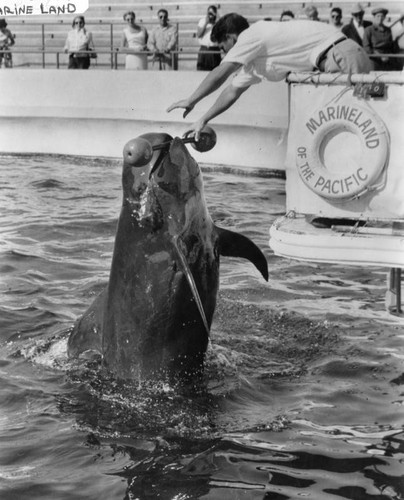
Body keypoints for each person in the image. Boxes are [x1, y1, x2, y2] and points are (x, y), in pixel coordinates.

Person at [167, 13, 371, 140]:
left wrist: (191, 100)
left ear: (231, 37)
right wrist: (203, 119)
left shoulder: (250, 36)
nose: (224, 52)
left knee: (360, 123)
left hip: (341, 56)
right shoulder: (256, 55)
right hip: (339, 58)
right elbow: (232, 90)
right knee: (348, 128)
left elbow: (221, 72)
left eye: (223, 46)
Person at [196, 5, 221, 71]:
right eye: (209, 13)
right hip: (204, 49)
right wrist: (206, 23)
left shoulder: (218, 23)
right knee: (201, 71)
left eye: (212, 13)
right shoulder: (202, 21)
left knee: (214, 72)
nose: (210, 15)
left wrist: (216, 22)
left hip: (214, 50)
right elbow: (199, 34)